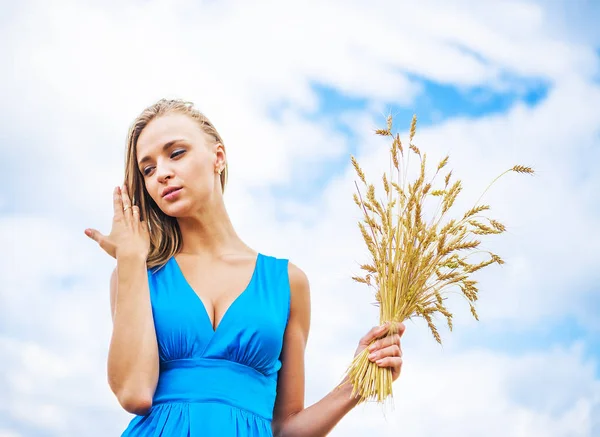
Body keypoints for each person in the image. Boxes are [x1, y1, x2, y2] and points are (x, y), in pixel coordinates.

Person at [84, 98, 405, 436]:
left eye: (176, 153)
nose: (162, 173)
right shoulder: (136, 275)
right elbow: (134, 393)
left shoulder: (287, 283)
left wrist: (355, 384)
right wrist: (131, 258)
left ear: (217, 157)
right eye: (148, 169)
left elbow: (284, 429)